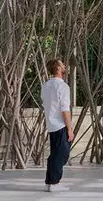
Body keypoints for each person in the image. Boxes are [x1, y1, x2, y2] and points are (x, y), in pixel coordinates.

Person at [42, 58, 74, 193]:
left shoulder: (46, 85)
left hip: (51, 124)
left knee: (55, 154)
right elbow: (65, 110)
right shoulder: (62, 86)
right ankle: (54, 183)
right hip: (60, 125)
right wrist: (70, 129)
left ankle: (50, 182)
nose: (65, 65)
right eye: (62, 64)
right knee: (61, 154)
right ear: (58, 68)